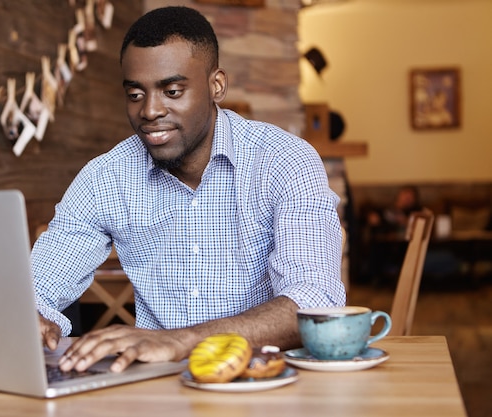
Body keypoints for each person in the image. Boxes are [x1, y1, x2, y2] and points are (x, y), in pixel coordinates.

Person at [32, 6, 345, 374]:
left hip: (266, 381)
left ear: (217, 86)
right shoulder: (106, 177)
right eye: (135, 94)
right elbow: (38, 286)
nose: (150, 110)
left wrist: (181, 340)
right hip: (154, 386)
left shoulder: (284, 161)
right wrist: (30, 315)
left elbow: (313, 304)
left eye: (172, 90)